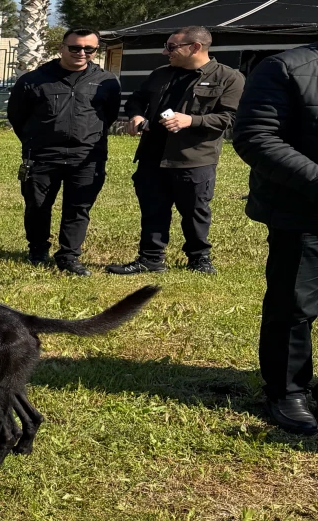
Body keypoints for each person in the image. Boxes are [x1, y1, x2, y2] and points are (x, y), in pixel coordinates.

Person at [108, 26, 244, 276]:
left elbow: (230, 119)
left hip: (193, 157)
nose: (165, 52)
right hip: (153, 155)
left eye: (171, 47)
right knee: (153, 209)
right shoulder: (161, 74)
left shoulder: (228, 77)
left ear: (195, 47)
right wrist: (136, 115)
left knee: (195, 211)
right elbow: (137, 98)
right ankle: (150, 259)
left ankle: (199, 258)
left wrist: (191, 121)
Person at [232, 41, 318, 435]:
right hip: (301, 211)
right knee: (294, 305)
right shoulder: (285, 67)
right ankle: (287, 391)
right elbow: (256, 137)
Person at [6, 28, 121, 276]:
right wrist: (35, 142)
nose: (81, 53)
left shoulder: (107, 81)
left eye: (88, 49)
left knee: (78, 207)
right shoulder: (33, 80)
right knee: (37, 205)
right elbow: (17, 117)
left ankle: (69, 256)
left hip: (87, 157)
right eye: (75, 48)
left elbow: (108, 116)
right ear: (62, 48)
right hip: (43, 156)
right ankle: (37, 250)